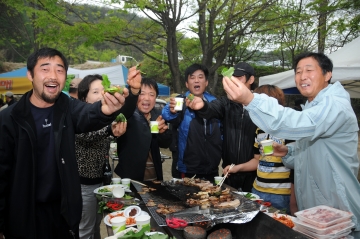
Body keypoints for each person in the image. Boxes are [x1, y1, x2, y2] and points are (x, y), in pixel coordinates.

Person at [223, 52, 360, 231]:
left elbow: (301, 124)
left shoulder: (335, 104)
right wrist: (290, 151)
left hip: (336, 208)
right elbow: (314, 152)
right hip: (314, 209)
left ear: (327, 74)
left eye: (309, 70)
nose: (302, 76)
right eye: (298, 71)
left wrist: (251, 100)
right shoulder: (314, 106)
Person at [0, 47, 127, 239]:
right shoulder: (10, 118)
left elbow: (87, 114)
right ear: (30, 75)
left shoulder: (67, 108)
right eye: (45, 69)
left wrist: (105, 110)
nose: (53, 76)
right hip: (24, 216)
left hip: (63, 214)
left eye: (59, 70)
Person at [75, 71, 140, 239]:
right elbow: (86, 136)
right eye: (95, 92)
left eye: (102, 91)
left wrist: (132, 92)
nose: (100, 95)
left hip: (100, 182)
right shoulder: (79, 118)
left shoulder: (104, 117)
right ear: (83, 98)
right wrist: (110, 130)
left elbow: (123, 112)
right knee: (85, 230)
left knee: (96, 226)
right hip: (83, 185)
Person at [185, 62, 257, 191]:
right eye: (231, 78)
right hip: (228, 171)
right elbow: (211, 109)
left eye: (238, 78)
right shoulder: (225, 103)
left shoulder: (259, 105)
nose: (234, 82)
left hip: (255, 174)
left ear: (251, 79)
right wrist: (202, 106)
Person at [162, 63, 222, 181]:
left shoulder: (214, 103)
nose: (196, 81)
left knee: (210, 198)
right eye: (192, 77)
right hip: (187, 168)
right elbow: (166, 114)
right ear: (186, 84)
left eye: (200, 77)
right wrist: (173, 111)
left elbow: (222, 132)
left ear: (206, 82)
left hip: (211, 167)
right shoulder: (180, 101)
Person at [114, 78, 171, 181]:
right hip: (131, 177)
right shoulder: (128, 115)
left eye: (151, 94)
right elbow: (137, 138)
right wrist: (151, 130)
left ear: (156, 98)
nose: (147, 98)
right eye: (142, 93)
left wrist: (162, 133)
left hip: (154, 176)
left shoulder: (158, 115)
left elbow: (166, 143)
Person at [250, 85, 292, 213]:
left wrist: (294, 199)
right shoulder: (259, 130)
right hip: (257, 190)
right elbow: (257, 160)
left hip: (280, 194)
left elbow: (297, 164)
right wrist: (236, 168)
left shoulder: (289, 127)